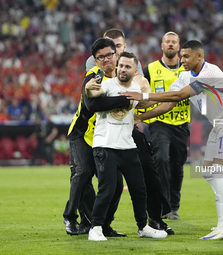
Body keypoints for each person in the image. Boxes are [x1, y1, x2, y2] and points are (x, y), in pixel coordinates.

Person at [123, 40, 223, 240]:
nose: (181, 59)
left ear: (200, 56)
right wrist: (139, 115)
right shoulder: (184, 76)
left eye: (186, 56)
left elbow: (178, 95)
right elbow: (168, 104)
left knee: (218, 170)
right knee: (209, 172)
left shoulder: (211, 72)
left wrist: (143, 95)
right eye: (181, 56)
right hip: (220, 124)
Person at [86, 28, 174, 235]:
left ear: (134, 70)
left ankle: (146, 225)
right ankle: (96, 227)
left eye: (127, 66)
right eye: (121, 65)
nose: (122, 68)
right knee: (108, 188)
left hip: (128, 144)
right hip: (105, 143)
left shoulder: (138, 85)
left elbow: (151, 96)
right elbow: (93, 94)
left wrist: (144, 104)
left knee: (140, 187)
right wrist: (92, 88)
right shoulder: (104, 80)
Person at [63, 38, 130, 237]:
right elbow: (92, 106)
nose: (107, 60)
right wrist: (125, 100)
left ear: (116, 54)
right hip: (82, 133)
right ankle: (70, 217)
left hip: (104, 136)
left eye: (110, 54)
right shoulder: (93, 76)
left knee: (116, 184)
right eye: (101, 57)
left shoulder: (123, 76)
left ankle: (101, 224)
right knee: (83, 173)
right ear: (95, 60)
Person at [141, 31, 189, 220]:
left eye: (173, 42)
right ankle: (164, 206)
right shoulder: (150, 69)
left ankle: (174, 206)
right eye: (167, 42)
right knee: (160, 158)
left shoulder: (188, 70)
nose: (170, 44)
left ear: (179, 46)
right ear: (161, 46)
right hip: (159, 123)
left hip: (181, 124)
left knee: (177, 166)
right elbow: (140, 90)